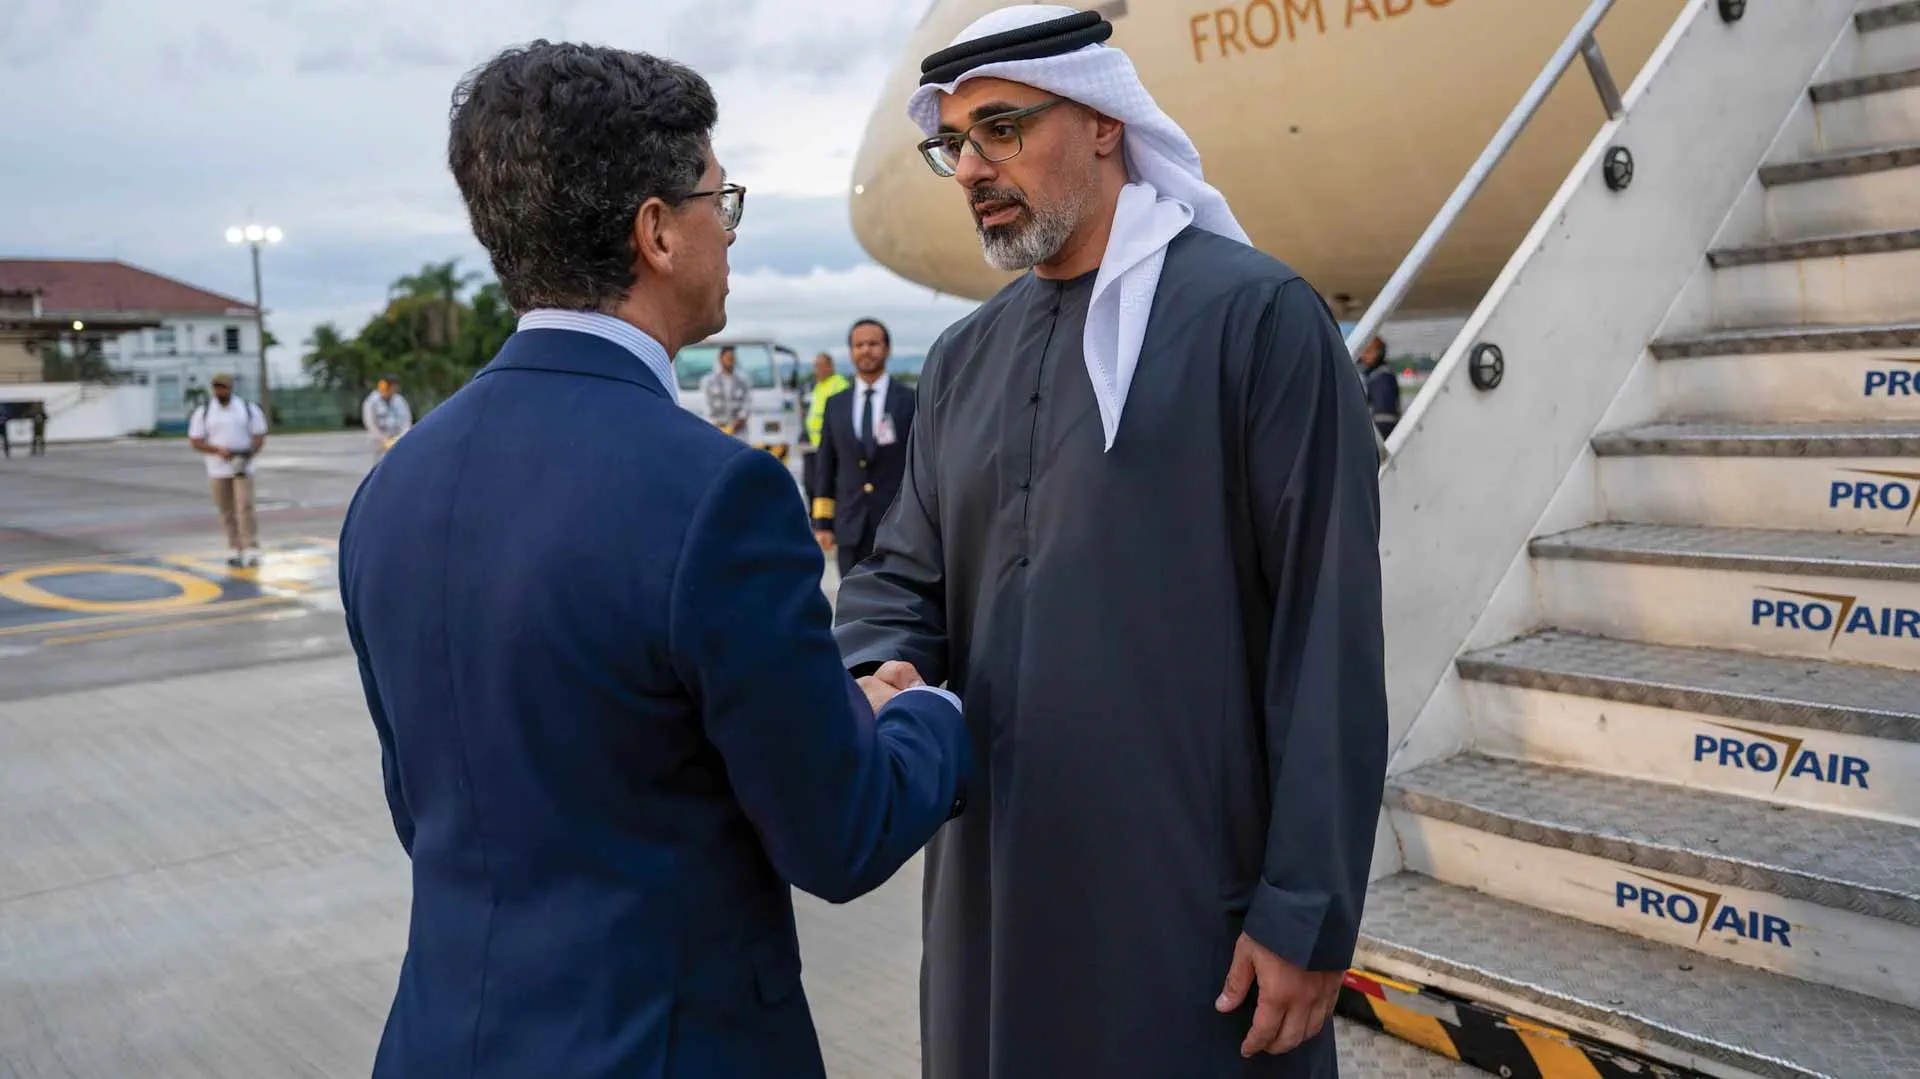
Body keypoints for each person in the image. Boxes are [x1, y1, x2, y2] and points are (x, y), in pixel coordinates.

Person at [337, 40, 971, 1079]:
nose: (729, 228)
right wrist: (920, 717)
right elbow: (841, 832)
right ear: (657, 232)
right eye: (722, 200)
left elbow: (440, 809)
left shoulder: (392, 490)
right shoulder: (717, 494)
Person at [832, 7, 1388, 1077]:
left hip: (1191, 900)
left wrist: (1307, 909)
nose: (972, 169)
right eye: (955, 143)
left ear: (1102, 122)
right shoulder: (960, 359)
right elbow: (903, 570)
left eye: (1002, 129)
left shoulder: (1258, 319)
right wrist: (874, 666)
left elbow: (1329, 631)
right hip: (996, 890)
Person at [810, 318, 914, 577]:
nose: (866, 350)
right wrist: (822, 522)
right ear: (851, 352)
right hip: (849, 525)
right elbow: (825, 465)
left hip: (899, 526)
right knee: (852, 606)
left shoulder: (910, 400)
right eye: (859, 345)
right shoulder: (836, 404)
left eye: (873, 344)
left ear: (887, 350)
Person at [187, 373, 267, 568]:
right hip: (217, 468)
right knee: (226, 510)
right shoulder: (205, 411)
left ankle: (251, 547)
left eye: (224, 387)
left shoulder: (246, 409)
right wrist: (217, 451)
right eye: (217, 387)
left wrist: (247, 454)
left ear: (231, 388)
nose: (220, 391)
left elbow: (259, 435)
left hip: (242, 466)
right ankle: (235, 547)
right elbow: (196, 441)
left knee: (245, 507)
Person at [800, 352, 848, 498]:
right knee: (811, 486)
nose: (817, 370)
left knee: (825, 487)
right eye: (815, 366)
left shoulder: (839, 385)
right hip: (813, 445)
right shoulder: (818, 386)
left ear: (830, 367)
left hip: (829, 447)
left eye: (820, 366)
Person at [361, 374, 413, 461]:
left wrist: (401, 436)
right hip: (379, 443)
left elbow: (406, 421)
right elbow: (370, 423)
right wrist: (383, 439)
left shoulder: (399, 400)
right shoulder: (372, 402)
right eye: (393, 387)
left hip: (398, 441)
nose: (395, 390)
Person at [1357, 335, 1400, 439]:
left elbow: (1385, 417)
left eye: (1369, 351)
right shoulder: (1371, 375)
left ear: (1379, 353)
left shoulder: (1382, 377)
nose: (1363, 355)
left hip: (1380, 434)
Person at [701, 344, 750, 435]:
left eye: (732, 358)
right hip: (716, 429)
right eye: (728, 357)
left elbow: (747, 403)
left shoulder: (742, 381)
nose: (730, 360)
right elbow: (706, 405)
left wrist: (740, 420)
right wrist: (715, 424)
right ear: (721, 358)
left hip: (738, 431)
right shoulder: (709, 381)